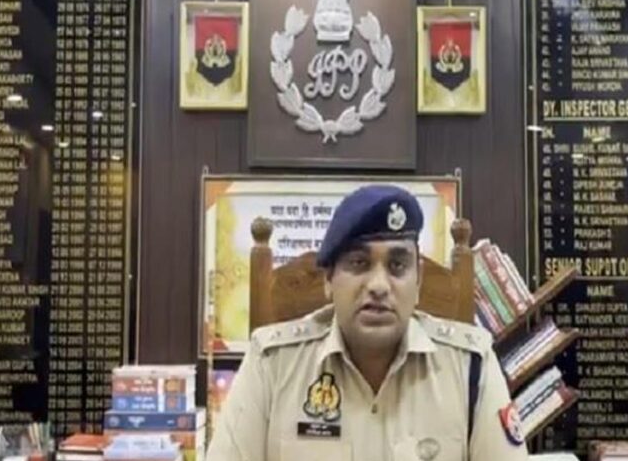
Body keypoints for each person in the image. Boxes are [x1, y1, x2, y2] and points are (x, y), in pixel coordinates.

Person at [206, 185, 529, 461]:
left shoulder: (471, 366)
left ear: (418, 281)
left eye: (397, 265)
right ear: (328, 280)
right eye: (359, 263)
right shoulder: (272, 364)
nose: (378, 285)